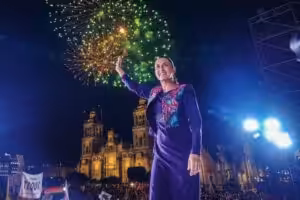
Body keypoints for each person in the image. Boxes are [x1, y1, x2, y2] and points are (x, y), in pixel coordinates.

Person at [115, 55, 202, 200]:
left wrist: (195, 152)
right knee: (157, 195)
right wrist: (120, 71)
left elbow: (196, 123)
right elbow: (134, 87)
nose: (161, 69)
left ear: (173, 70)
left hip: (182, 155)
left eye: (165, 65)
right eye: (157, 66)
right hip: (161, 156)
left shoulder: (185, 90)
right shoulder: (154, 92)